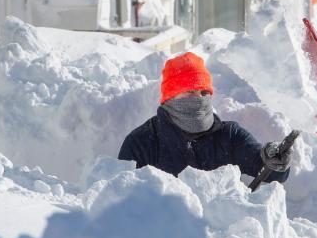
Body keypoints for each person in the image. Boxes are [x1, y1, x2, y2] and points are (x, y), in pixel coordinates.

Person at [118, 52, 292, 183]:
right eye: (190, 92)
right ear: (170, 97)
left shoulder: (230, 136)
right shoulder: (141, 143)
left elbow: (268, 171)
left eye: (204, 92)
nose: (199, 99)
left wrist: (275, 160)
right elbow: (122, 202)